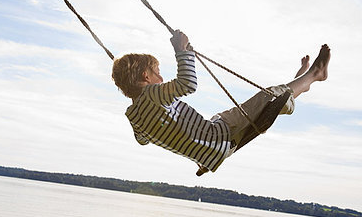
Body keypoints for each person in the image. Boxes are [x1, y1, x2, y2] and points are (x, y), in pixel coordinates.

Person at [111, 30, 331, 174]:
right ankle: (315, 74)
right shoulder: (153, 94)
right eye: (157, 72)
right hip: (221, 136)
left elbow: (142, 140)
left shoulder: (133, 116)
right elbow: (187, 84)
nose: (161, 78)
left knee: (264, 107)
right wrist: (181, 52)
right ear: (145, 77)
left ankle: (301, 80)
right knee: (271, 97)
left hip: (209, 148)